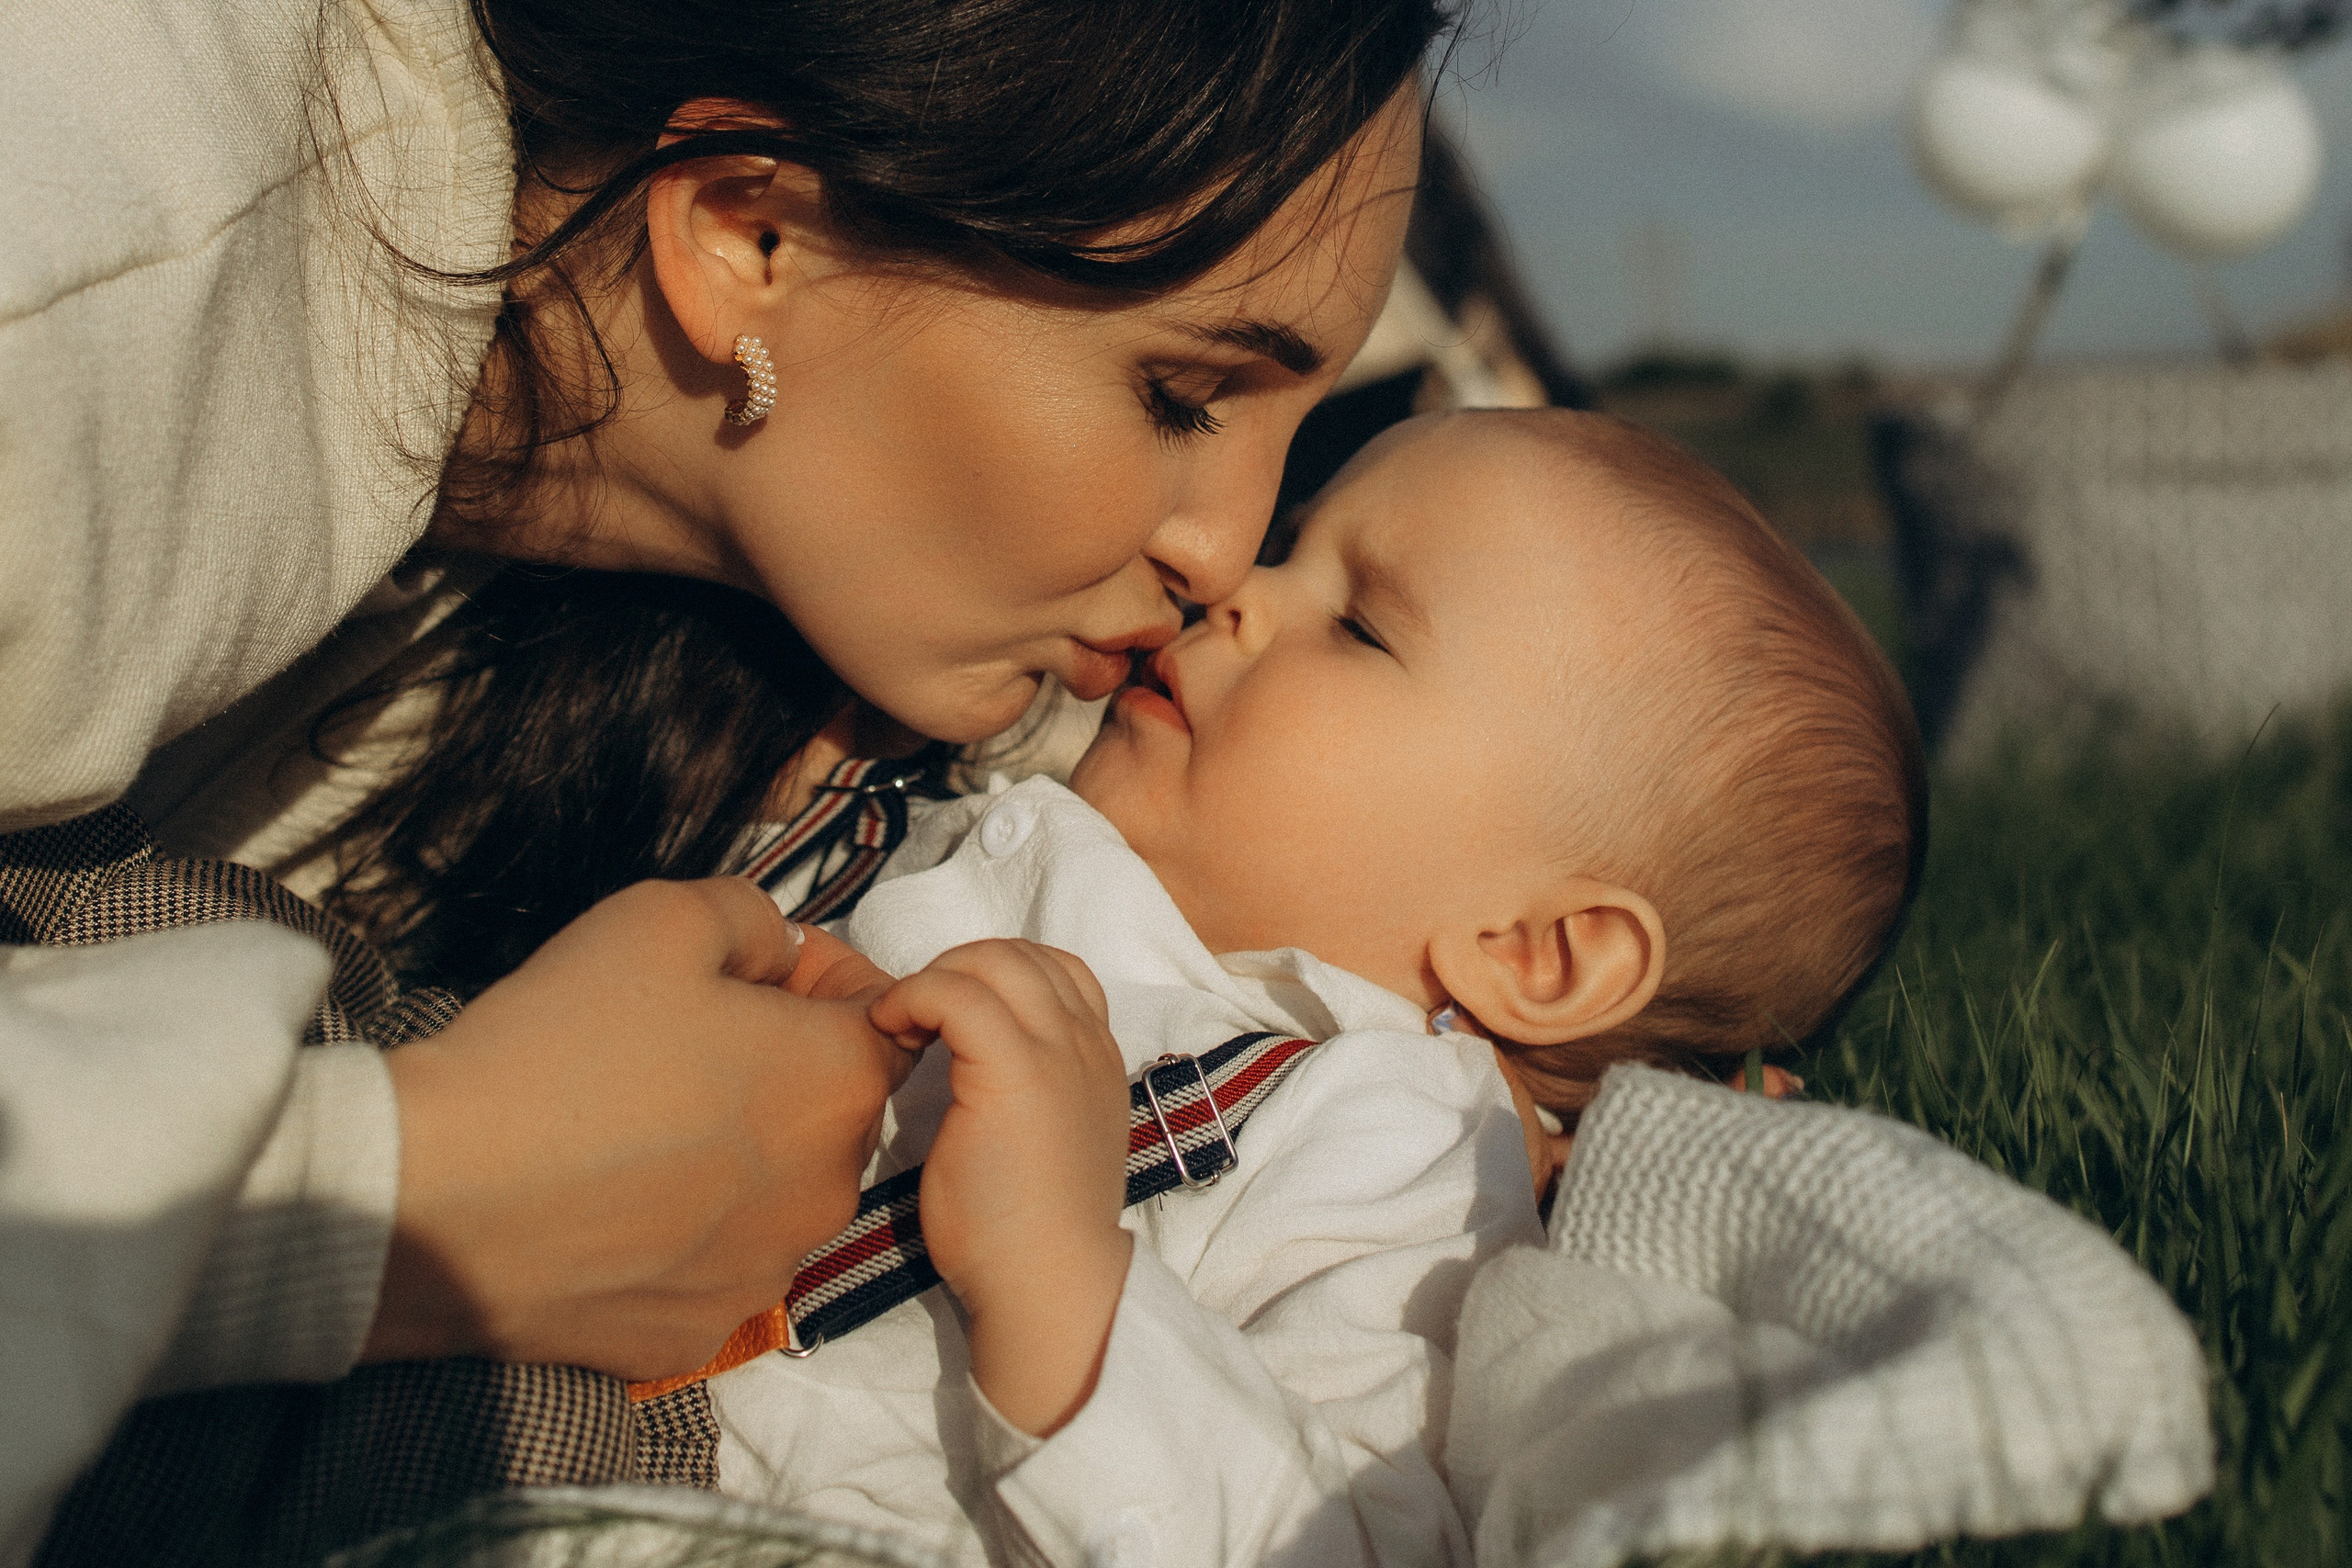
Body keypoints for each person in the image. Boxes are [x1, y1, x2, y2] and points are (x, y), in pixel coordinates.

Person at [0, 0, 1445, 1555]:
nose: (1229, 547)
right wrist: (408, 1192)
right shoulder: (82, 261)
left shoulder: (763, 647)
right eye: (1181, 395)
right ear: (750, 234)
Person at [682, 410, 1924, 1563]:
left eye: (1362, 624)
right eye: (1289, 549)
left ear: (1536, 951)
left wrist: (1056, 1278)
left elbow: (1338, 1536)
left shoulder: (1385, 1140)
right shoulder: (1009, 824)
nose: (1239, 592)